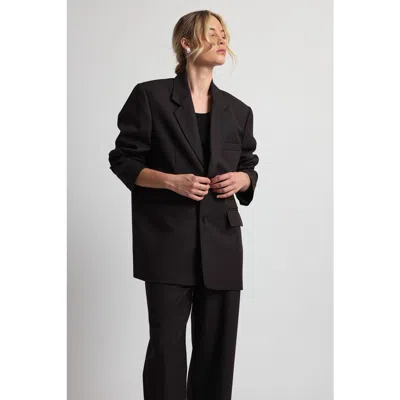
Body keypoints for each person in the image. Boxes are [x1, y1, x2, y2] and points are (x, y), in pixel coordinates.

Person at [108, 9, 259, 400]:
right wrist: (170, 181)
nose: (222, 39)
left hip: (223, 243)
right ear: (187, 43)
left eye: (224, 33)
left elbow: (248, 165)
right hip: (166, 241)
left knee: (217, 351)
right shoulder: (150, 97)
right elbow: (123, 159)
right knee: (167, 348)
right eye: (212, 33)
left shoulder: (238, 111)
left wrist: (243, 179)